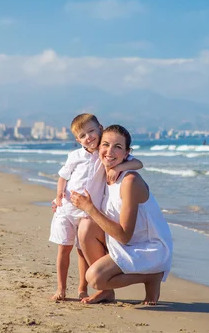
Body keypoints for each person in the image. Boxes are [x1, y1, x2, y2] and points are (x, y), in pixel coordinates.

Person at [70, 124, 173, 305]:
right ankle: (106, 292)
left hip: (147, 248)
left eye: (118, 147)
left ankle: (151, 277)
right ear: (98, 147)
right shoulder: (103, 170)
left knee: (94, 277)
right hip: (122, 241)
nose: (110, 151)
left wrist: (90, 208)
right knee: (85, 227)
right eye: (106, 145)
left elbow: (125, 236)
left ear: (127, 153)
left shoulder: (129, 181)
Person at [49, 114, 143, 301]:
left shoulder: (105, 152)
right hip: (66, 209)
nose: (89, 137)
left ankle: (82, 289)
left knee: (82, 251)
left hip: (86, 212)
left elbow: (138, 163)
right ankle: (61, 288)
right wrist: (59, 194)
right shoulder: (75, 156)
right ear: (77, 140)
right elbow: (63, 176)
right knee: (64, 249)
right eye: (83, 135)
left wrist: (117, 169)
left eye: (91, 131)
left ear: (100, 128)